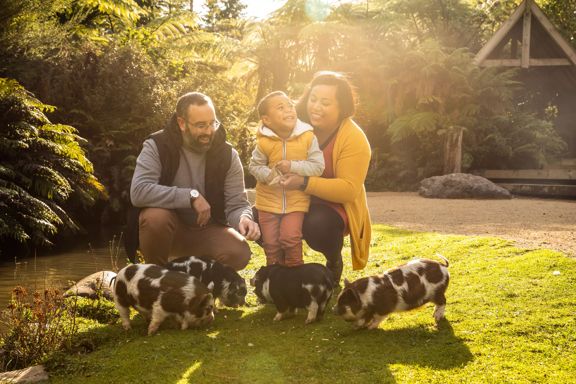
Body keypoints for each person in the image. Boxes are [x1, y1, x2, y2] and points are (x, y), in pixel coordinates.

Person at [129, 92, 260, 270]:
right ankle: (156, 277)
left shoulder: (228, 155)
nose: (208, 131)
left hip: (207, 232)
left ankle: (198, 280)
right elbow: (139, 191)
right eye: (201, 125)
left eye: (212, 123)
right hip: (168, 231)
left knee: (239, 252)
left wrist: (244, 219)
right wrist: (191, 196)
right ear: (181, 123)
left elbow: (236, 204)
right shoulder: (157, 146)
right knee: (155, 218)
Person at [279, 71, 372, 282]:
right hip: (296, 197)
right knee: (259, 216)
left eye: (325, 102)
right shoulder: (295, 124)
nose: (316, 107)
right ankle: (286, 265)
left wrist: (303, 182)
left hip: (334, 206)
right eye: (313, 99)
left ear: (342, 107)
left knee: (317, 223)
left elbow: (348, 190)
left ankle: (333, 260)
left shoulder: (354, 138)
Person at [249, 91, 324, 267]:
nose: (289, 110)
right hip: (267, 203)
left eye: (290, 105)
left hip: (295, 202)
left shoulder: (307, 137)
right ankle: (275, 278)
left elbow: (318, 166)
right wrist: (269, 175)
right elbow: (254, 166)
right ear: (267, 120)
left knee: (290, 238)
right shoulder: (263, 142)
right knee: (271, 245)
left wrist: (292, 166)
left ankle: (295, 273)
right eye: (281, 108)